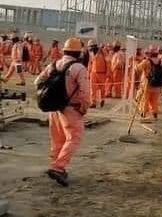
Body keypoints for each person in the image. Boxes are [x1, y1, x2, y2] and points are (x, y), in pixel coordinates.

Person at [35, 38, 90, 186]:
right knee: (74, 138)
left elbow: (37, 81)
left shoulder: (54, 64)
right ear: (78, 53)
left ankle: (54, 165)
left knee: (57, 138)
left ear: (65, 50)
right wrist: (84, 108)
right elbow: (85, 92)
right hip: (71, 108)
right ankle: (58, 168)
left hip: (54, 108)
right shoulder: (79, 68)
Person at [135, 45, 162, 120]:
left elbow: (138, 69)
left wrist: (134, 63)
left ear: (150, 53)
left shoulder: (146, 61)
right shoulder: (160, 61)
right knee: (154, 100)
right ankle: (155, 112)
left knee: (145, 99)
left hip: (147, 84)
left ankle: (143, 113)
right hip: (157, 85)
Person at [87, 40, 109, 108]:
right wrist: (89, 72)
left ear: (95, 46)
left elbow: (108, 62)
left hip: (102, 73)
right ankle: (93, 102)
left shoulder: (103, 52)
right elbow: (90, 63)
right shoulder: (91, 53)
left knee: (102, 88)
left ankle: (102, 99)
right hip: (93, 73)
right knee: (92, 88)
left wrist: (108, 72)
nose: (90, 49)